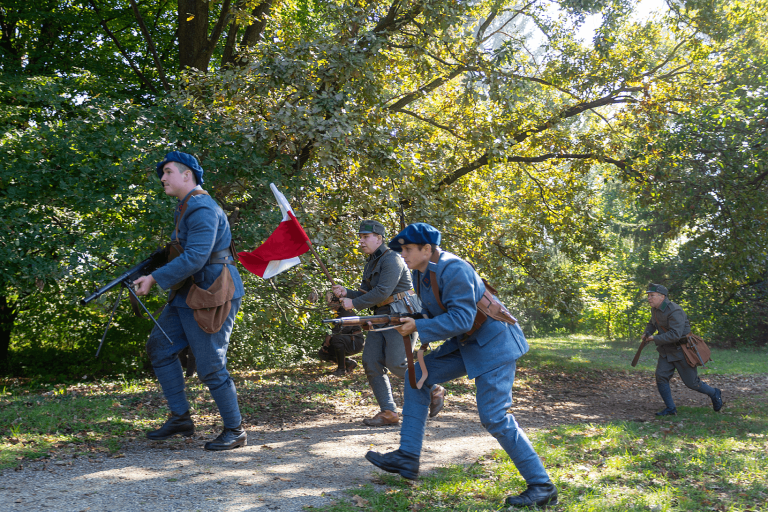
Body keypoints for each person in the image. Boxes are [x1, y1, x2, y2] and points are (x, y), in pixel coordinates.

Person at [365, 223, 558, 509]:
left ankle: (542, 486)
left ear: (427, 249)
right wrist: (396, 320)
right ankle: (407, 456)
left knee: (494, 417)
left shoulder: (453, 268)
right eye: (402, 249)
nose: (402, 254)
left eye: (407, 249)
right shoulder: (422, 272)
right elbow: (435, 312)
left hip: (494, 344)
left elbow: (462, 319)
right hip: (467, 343)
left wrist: (419, 325)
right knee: (416, 375)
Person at [133, 151, 247, 451]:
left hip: (211, 294)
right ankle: (180, 417)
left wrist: (155, 278)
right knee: (159, 346)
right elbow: (186, 251)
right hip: (189, 293)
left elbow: (196, 256)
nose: (163, 177)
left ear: (188, 175)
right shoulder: (186, 207)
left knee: (210, 364)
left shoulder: (201, 207)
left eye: (168, 171)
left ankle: (235, 430)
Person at [332, 220, 445, 427]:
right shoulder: (371, 262)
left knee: (397, 363)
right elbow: (369, 293)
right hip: (380, 316)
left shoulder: (392, 258)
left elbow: (383, 291)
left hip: (401, 315)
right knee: (371, 361)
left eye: (365, 237)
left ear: (379, 238)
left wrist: (353, 303)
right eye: (360, 237)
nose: (361, 241)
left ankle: (434, 389)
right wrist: (346, 293)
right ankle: (389, 412)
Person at [643, 283, 723, 416]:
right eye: (648, 296)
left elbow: (675, 334)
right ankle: (670, 408)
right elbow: (652, 323)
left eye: (652, 295)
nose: (649, 298)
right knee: (661, 377)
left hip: (682, 351)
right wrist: (647, 333)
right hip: (666, 351)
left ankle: (714, 393)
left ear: (662, 297)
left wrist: (654, 339)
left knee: (692, 383)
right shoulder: (655, 309)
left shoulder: (675, 310)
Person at [318, 292, 364, 376]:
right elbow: (330, 329)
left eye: (331, 303)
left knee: (337, 339)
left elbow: (345, 329)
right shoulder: (333, 313)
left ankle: (341, 369)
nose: (329, 305)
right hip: (343, 340)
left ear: (336, 302)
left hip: (355, 342)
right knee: (323, 353)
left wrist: (331, 336)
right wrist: (325, 343)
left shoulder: (346, 311)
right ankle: (348, 363)